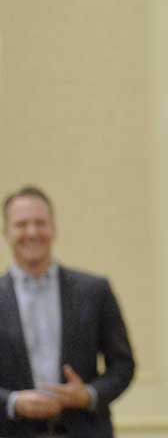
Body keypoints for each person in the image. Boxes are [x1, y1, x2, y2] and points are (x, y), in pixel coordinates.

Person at [0, 185, 136, 438]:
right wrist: (13, 402)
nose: (32, 232)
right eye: (21, 224)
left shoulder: (95, 291)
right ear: (6, 232)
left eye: (40, 223)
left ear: (53, 228)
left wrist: (89, 395)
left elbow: (123, 366)